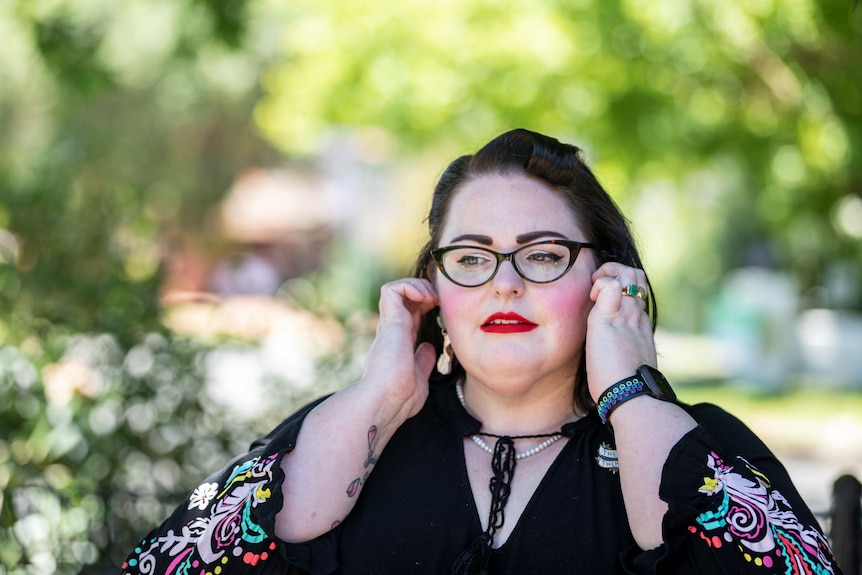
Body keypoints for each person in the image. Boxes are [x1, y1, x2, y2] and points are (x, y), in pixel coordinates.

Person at [122, 129, 842, 575]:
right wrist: (378, 396)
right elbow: (165, 563)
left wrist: (629, 393)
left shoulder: (690, 443)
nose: (503, 284)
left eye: (544, 254)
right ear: (433, 285)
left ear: (607, 280)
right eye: (470, 258)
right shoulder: (352, 438)